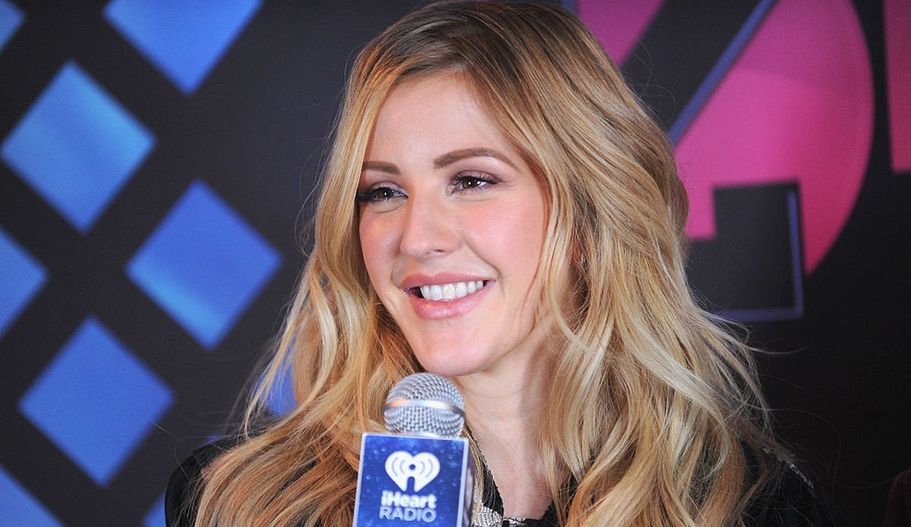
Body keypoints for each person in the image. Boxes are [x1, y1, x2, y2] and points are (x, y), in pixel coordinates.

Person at [166, 2, 833, 526]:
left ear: (585, 212)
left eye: (471, 180)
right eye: (384, 192)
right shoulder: (246, 504)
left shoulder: (743, 505)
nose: (417, 237)